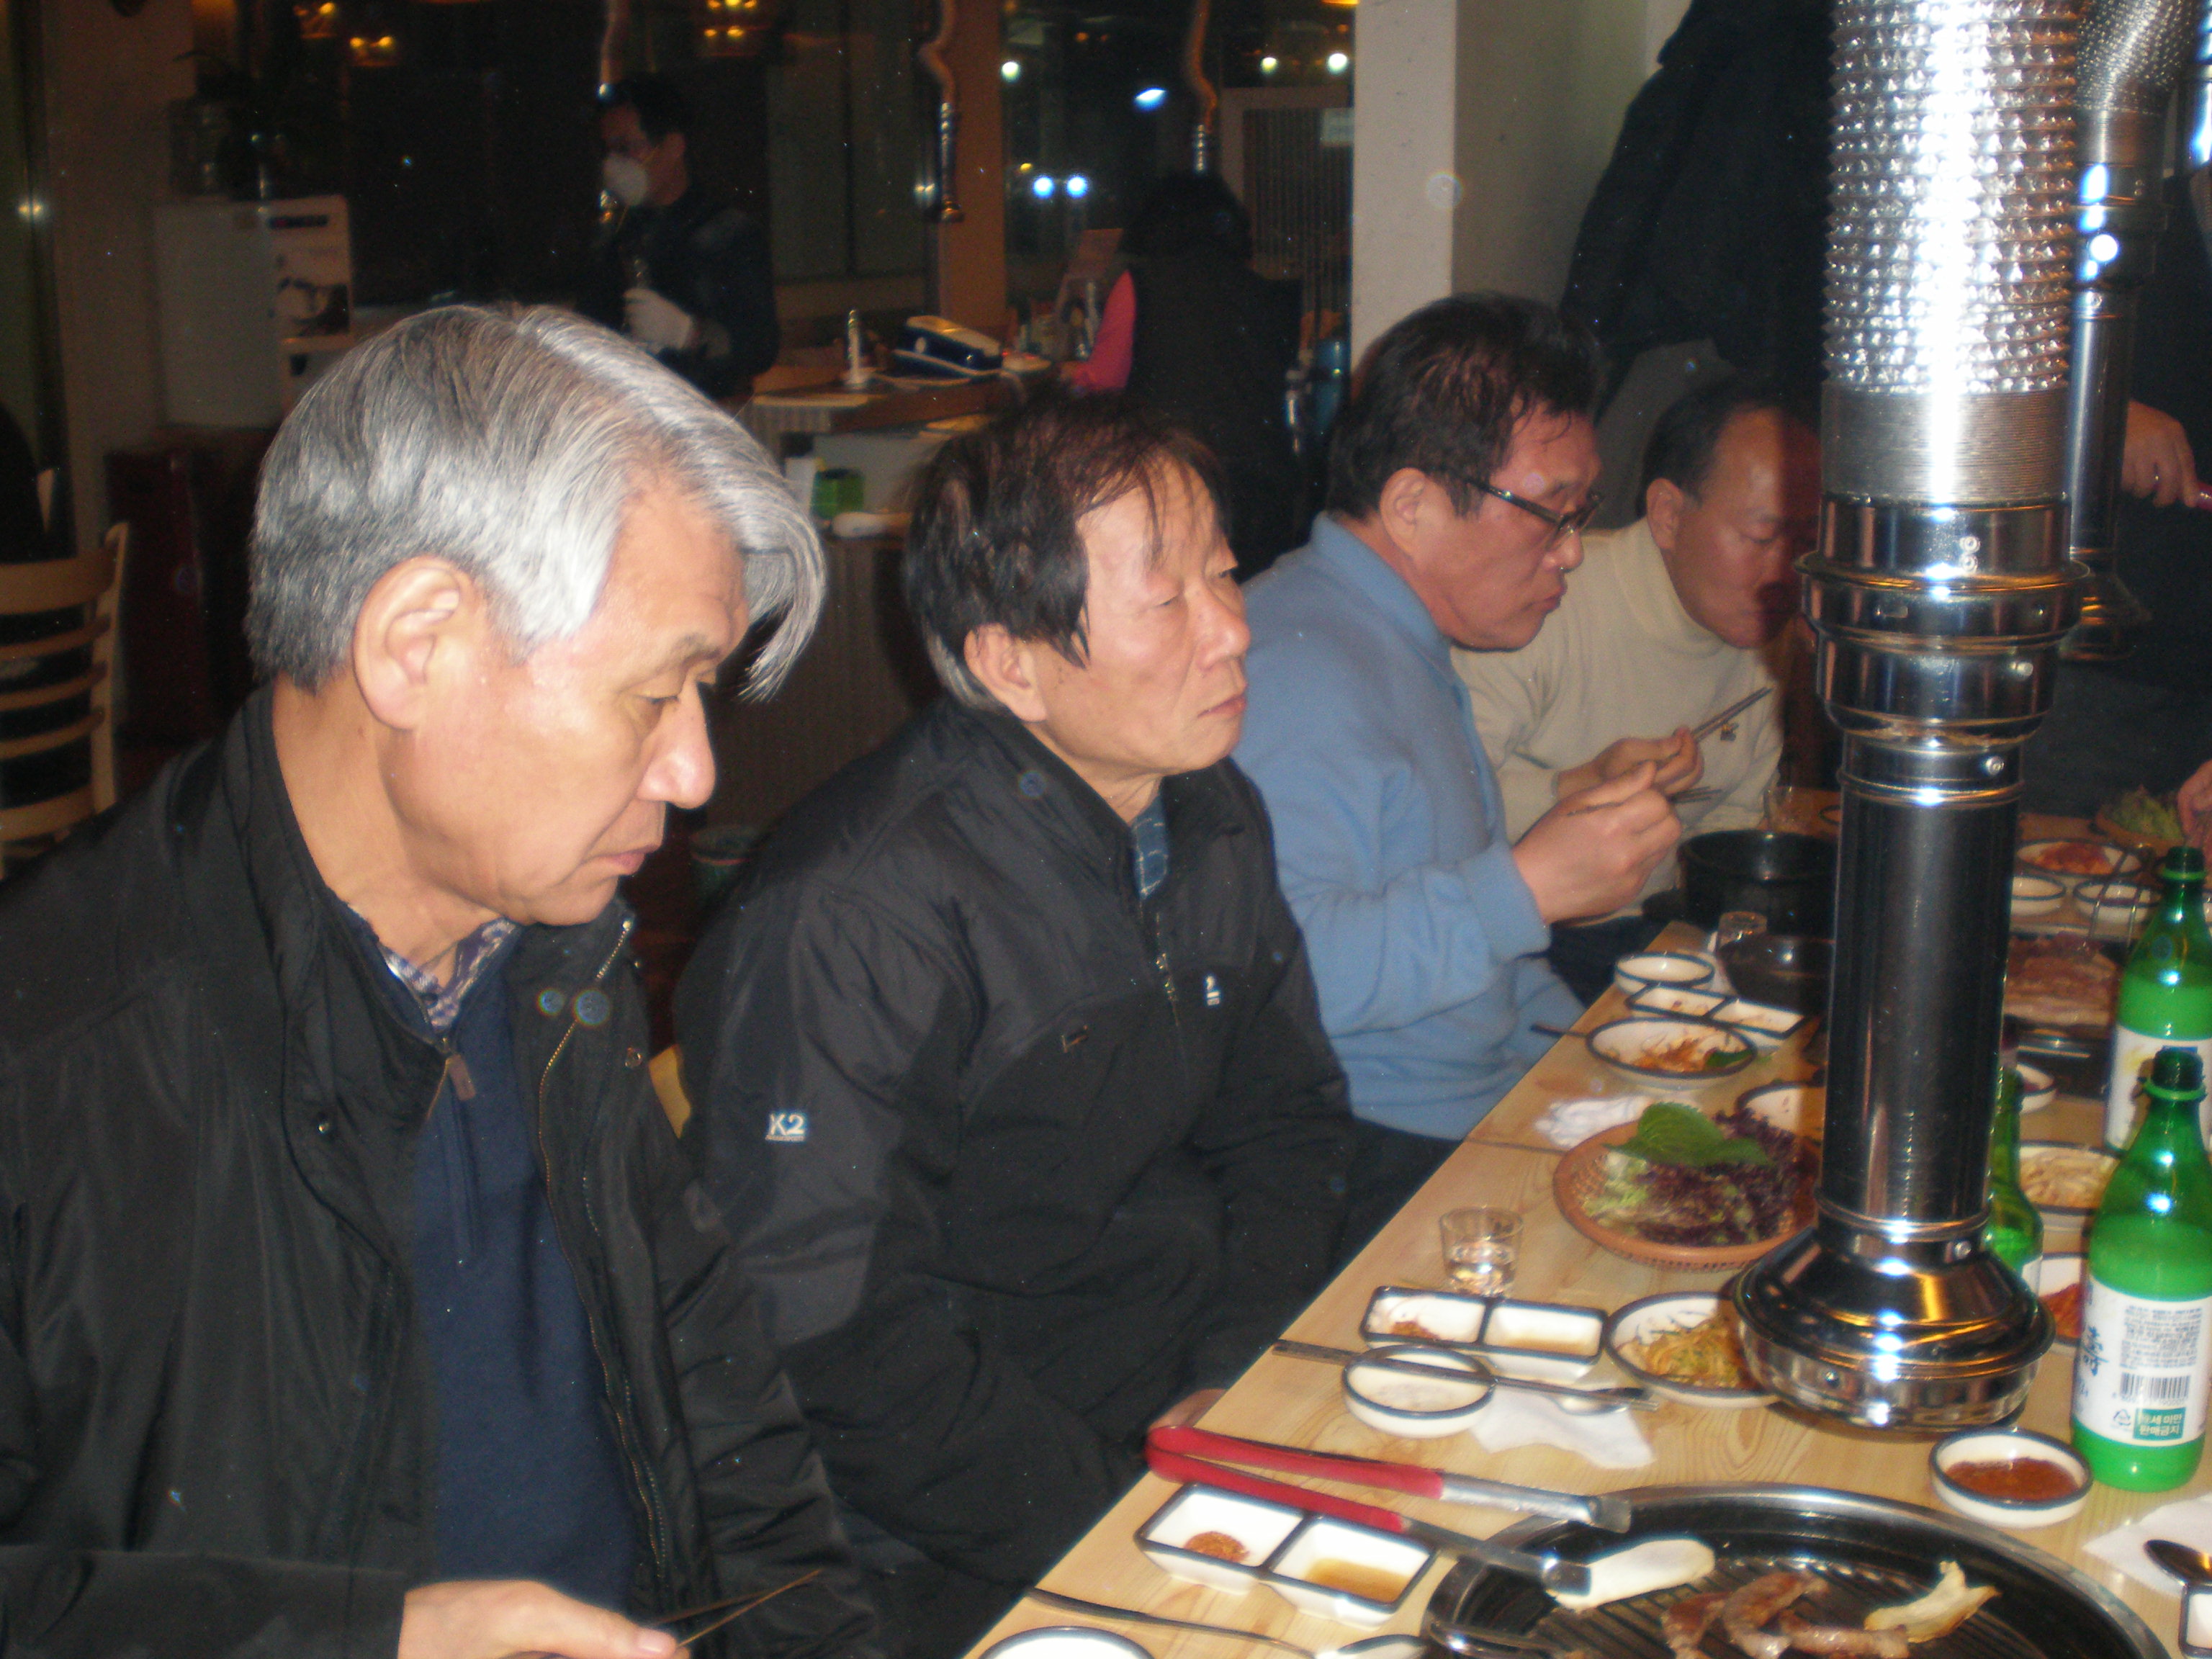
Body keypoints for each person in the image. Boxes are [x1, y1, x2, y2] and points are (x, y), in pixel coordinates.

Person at [0, 306, 879, 1658]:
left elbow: (723, 1410)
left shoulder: (554, 950)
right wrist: (359, 1641)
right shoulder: (54, 1059)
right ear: (417, 644)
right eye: (656, 692)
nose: (696, 769)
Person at [676, 392, 1352, 1659]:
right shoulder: (856, 914)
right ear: (1011, 662)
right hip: (936, 1527)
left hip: (1176, 1401)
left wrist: (1235, 1373)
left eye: (1223, 573)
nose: (1233, 629)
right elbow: (831, 1333)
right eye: (1167, 597)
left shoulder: (1208, 809)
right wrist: (1123, 1520)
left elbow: (1287, 1122)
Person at [1235, 295, 1682, 1255]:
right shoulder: (1297, 668)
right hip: (1366, 1156)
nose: (1571, 551)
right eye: (1551, 513)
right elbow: (1275, 976)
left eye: (1580, 514)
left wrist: (1597, 1064)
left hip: (1473, 1108)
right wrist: (1527, 888)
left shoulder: (1390, 636)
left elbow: (1497, 973)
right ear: (1412, 507)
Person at [1455, 377, 1820, 1002]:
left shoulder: (1766, 629)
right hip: (1516, 945)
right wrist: (1579, 786)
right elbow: (1445, 808)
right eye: (1763, 538)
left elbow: (1734, 821)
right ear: (1669, 516)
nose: (1787, 571)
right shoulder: (1546, 601)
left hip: (1664, 934)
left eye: (1806, 541)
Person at [1062, 173, 1305, 577]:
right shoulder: (1266, 294)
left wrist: (1068, 376)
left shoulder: (1142, 285)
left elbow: (1103, 384)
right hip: (1264, 487)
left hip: (1180, 481)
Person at [580, 74, 780, 400]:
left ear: (673, 147)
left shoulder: (729, 234)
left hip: (707, 413)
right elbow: (587, 329)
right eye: (608, 150)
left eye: (627, 148)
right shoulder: (615, 239)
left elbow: (761, 348)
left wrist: (690, 334)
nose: (614, 164)